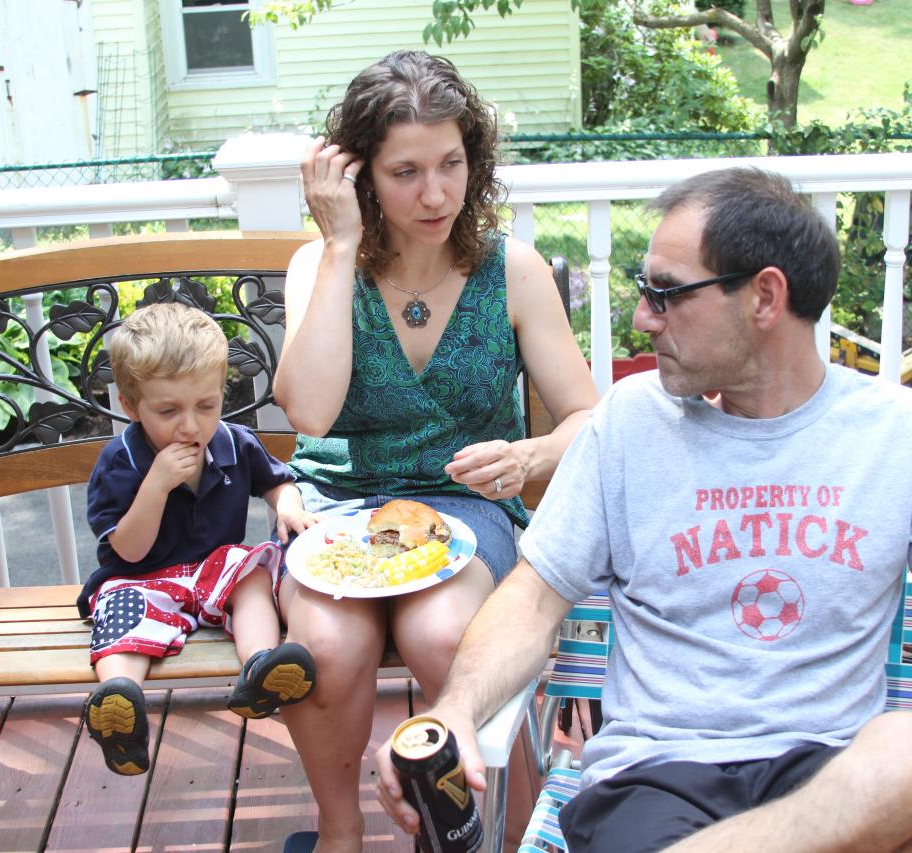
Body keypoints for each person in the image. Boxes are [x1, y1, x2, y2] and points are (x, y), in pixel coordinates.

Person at [375, 167, 912, 852]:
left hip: (837, 775)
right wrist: (456, 708)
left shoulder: (901, 432)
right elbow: (532, 600)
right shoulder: (630, 424)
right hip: (657, 779)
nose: (643, 318)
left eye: (666, 294)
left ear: (765, 297)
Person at [272, 50, 598, 850]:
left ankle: (506, 830)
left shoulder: (511, 270)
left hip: (466, 507)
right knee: (325, 646)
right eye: (405, 172)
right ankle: (340, 831)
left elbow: (589, 419)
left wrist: (528, 458)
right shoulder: (318, 266)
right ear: (360, 177)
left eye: (451, 164)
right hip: (338, 510)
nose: (436, 194)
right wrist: (341, 247)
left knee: (444, 635)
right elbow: (309, 410)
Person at [81, 301, 319, 776]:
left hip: (214, 573)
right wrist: (156, 486)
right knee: (121, 610)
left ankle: (260, 668)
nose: (190, 425)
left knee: (252, 575)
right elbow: (128, 550)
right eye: (168, 411)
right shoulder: (121, 462)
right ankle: (118, 699)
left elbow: (277, 481)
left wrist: (287, 505)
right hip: (143, 579)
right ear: (130, 406)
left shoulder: (232, 441)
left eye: (206, 406)